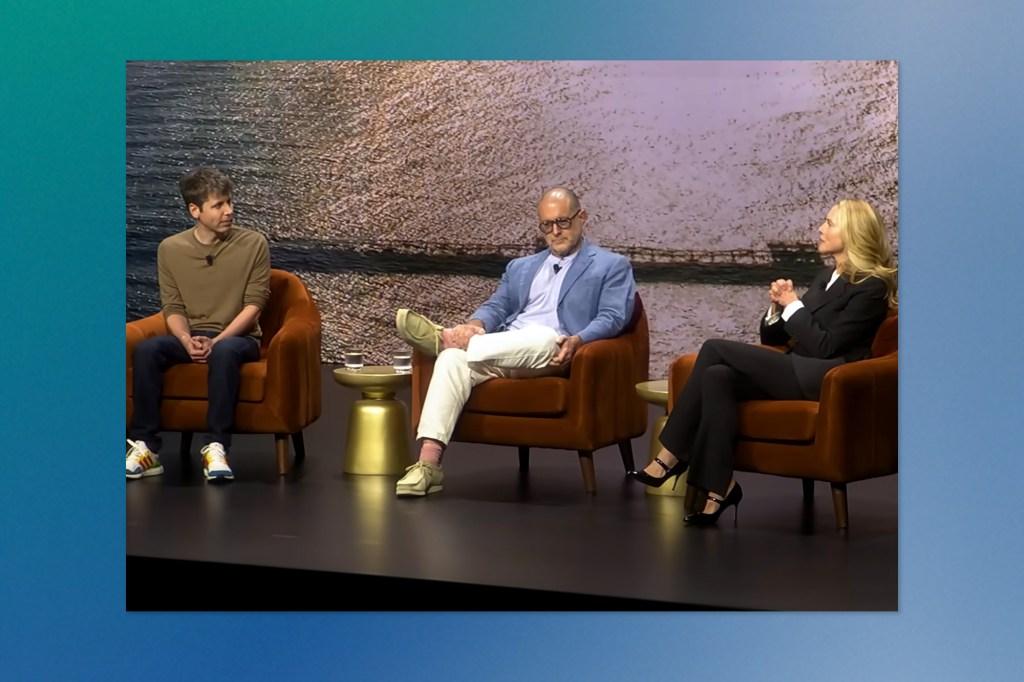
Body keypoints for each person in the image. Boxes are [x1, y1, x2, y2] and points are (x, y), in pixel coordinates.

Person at [632, 199, 898, 525]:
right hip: (796, 366)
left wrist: (793, 306)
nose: (820, 228)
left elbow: (826, 346)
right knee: (717, 375)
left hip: (824, 379)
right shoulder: (825, 276)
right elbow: (774, 339)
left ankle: (670, 455)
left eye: (829, 223)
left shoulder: (872, 286)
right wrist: (777, 309)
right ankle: (719, 490)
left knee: (714, 348)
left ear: (853, 232)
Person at [393, 187, 637, 498]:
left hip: (553, 353)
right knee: (451, 361)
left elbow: (614, 317)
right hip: (504, 349)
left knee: (546, 337)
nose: (555, 231)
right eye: (547, 225)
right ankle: (429, 465)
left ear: (582, 217)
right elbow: (497, 307)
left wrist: (579, 339)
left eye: (562, 221)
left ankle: (446, 341)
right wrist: (472, 326)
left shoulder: (610, 265)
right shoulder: (521, 267)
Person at [126, 168, 270, 482]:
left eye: (229, 202)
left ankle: (217, 446)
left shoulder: (254, 244)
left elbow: (254, 305)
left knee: (225, 352)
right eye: (218, 205)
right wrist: (185, 338)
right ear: (195, 210)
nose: (229, 211)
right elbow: (173, 307)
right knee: (148, 350)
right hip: (191, 335)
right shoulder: (170, 249)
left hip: (239, 337)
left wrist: (217, 341)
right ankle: (146, 447)